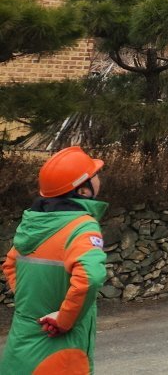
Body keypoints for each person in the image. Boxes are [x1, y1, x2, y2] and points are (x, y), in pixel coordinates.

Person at [2, 146, 108, 375]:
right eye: (94, 174)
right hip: (59, 353)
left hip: (21, 348)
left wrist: (33, 303)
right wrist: (64, 319)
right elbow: (90, 278)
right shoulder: (81, 227)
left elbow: (10, 264)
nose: (99, 178)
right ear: (83, 190)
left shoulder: (33, 224)